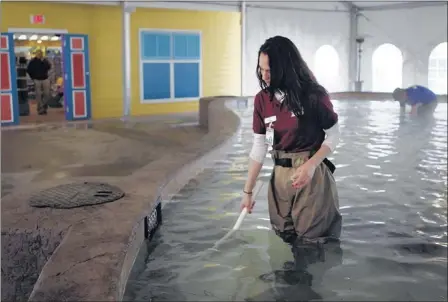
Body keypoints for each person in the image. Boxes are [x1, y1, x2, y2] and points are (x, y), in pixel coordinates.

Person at [240, 36, 342, 245]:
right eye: (261, 69)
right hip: (280, 179)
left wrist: (312, 165)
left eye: (270, 70)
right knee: (283, 241)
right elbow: (259, 147)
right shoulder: (262, 100)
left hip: (310, 177)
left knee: (311, 246)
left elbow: (334, 134)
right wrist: (247, 192)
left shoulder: (313, 95)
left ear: (286, 67)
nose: (265, 76)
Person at [26, 49, 52, 115]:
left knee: (47, 94)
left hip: (45, 79)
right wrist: (33, 78)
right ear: (36, 54)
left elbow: (49, 67)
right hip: (37, 80)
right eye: (38, 53)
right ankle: (41, 109)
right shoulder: (32, 61)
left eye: (41, 53)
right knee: (38, 95)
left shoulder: (45, 60)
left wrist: (44, 61)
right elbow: (29, 70)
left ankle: (42, 105)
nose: (40, 54)